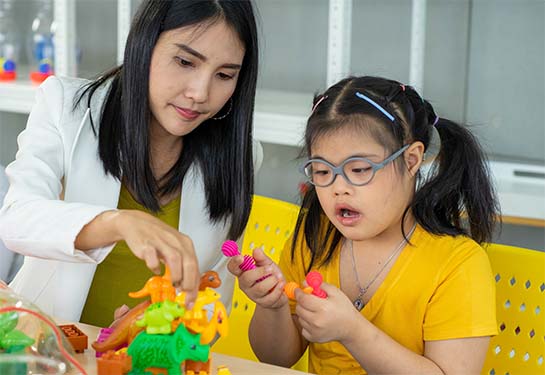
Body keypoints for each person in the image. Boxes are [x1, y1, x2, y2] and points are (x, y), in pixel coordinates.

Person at [0, 0, 261, 327]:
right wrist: (119, 223)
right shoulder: (65, 107)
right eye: (184, 61)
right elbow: (17, 219)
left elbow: (211, 296)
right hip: (47, 347)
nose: (200, 92)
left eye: (224, 75)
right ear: (144, 45)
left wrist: (156, 338)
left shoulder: (240, 154)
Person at [228, 76, 499, 374]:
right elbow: (276, 359)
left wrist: (353, 331)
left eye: (359, 170)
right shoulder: (314, 237)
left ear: (411, 160)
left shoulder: (458, 264)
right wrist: (273, 305)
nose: (338, 188)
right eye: (321, 171)